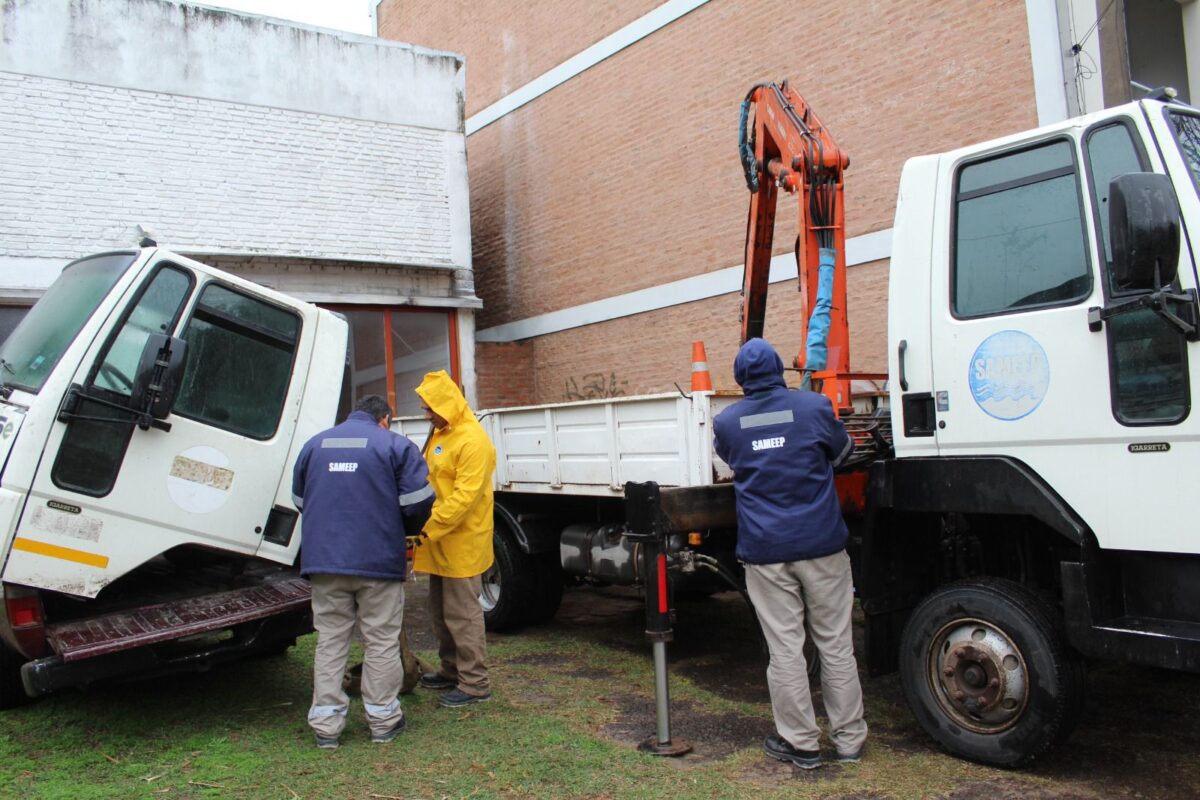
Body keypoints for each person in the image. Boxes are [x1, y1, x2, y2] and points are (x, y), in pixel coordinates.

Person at [712, 338, 867, 769]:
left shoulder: (728, 422)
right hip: (822, 546)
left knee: (785, 650)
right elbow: (844, 454)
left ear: (741, 378)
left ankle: (801, 744)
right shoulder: (814, 408)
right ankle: (850, 740)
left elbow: (731, 460)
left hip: (766, 552)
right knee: (836, 645)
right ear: (781, 369)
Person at [291, 395, 434, 749]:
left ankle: (326, 725)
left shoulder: (314, 445)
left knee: (331, 639)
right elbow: (418, 502)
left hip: (324, 561)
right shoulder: (395, 446)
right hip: (377, 561)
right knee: (381, 640)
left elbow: (300, 502)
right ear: (384, 419)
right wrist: (400, 529)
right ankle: (383, 720)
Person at [412, 370, 497, 708]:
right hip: (438, 541)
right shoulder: (441, 434)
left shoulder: (473, 441)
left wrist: (425, 530)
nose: (426, 413)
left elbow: (463, 499)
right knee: (439, 611)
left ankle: (475, 683)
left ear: (446, 404)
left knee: (462, 614)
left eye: (430, 407)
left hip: (461, 543)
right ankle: (451, 670)